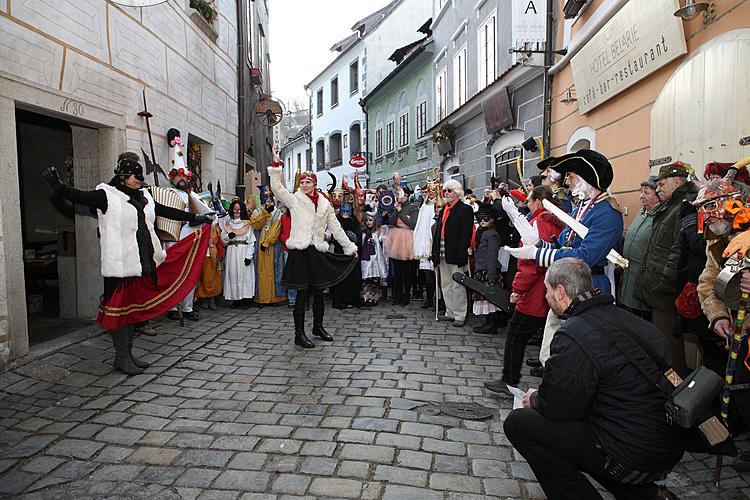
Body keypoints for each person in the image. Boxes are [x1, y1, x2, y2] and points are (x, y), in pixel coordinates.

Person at [504, 258, 684, 500]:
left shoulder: (574, 334)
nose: (545, 297)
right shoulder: (632, 321)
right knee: (586, 434)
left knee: (520, 424)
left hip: (631, 454)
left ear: (560, 292)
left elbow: (558, 408)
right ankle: (645, 496)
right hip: (665, 444)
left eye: (547, 290)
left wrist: (534, 399)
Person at [41, 153, 213, 375]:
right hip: (119, 266)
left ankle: (128, 354)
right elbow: (79, 197)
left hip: (143, 263)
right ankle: (121, 357)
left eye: (140, 178)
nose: (139, 181)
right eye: (135, 177)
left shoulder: (144, 196)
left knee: (132, 311)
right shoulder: (107, 196)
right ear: (122, 177)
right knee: (121, 312)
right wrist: (58, 185)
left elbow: (164, 211)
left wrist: (195, 218)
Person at [506, 149, 624, 365]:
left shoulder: (608, 212)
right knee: (551, 352)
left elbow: (585, 256)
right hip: (565, 286)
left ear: (587, 179)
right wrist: (538, 243)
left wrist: (538, 254)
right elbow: (563, 243)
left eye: (570, 176)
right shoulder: (582, 208)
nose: (567, 182)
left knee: (575, 356)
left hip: (587, 288)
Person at [267, 148, 358, 348]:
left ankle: (318, 327)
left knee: (318, 292)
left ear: (315, 184)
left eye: (308, 182)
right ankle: (299, 334)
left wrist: (350, 247)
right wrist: (276, 167)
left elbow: (336, 228)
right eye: (302, 182)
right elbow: (277, 189)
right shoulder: (295, 200)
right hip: (300, 251)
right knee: (302, 293)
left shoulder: (325, 204)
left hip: (317, 251)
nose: (305, 185)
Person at [485, 186, 564, 390]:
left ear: (537, 201)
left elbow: (531, 261)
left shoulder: (539, 222)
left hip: (535, 291)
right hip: (547, 287)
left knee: (515, 335)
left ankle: (509, 380)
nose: (527, 205)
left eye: (529, 201)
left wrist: (517, 289)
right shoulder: (552, 220)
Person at [637, 162, 698, 375]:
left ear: (678, 182)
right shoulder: (671, 205)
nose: (658, 188)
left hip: (666, 290)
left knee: (669, 348)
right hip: (658, 287)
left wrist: (664, 283)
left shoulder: (682, 206)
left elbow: (677, 251)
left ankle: (675, 393)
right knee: (662, 343)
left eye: (662, 184)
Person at [432, 179, 474, 327]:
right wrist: (435, 253)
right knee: (446, 284)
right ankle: (450, 311)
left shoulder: (465, 210)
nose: (446, 193)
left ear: (457, 192)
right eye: (445, 191)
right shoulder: (444, 209)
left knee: (457, 285)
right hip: (443, 251)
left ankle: (459, 314)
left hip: (456, 253)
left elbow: (466, 234)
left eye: (449, 190)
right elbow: (438, 233)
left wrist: (463, 254)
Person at [620, 176, 660, 320]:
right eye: (641, 191)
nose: (641, 196)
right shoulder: (641, 213)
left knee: (642, 317)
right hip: (629, 273)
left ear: (657, 196)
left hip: (643, 276)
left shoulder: (659, 217)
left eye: (647, 193)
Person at [250, 186, 287, 305]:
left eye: (269, 197)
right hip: (259, 243)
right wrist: (265, 212)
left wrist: (268, 241)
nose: (268, 200)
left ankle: (276, 297)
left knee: (275, 269)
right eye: (265, 197)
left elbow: (277, 227)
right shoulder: (257, 212)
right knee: (260, 269)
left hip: (273, 245)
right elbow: (256, 225)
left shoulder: (277, 212)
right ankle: (262, 297)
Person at [471, 203, 503, 333]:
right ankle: (488, 322)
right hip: (481, 269)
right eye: (480, 219)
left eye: (486, 218)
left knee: (490, 299)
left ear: (492, 219)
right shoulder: (482, 232)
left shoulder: (492, 235)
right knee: (485, 298)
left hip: (488, 270)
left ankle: (492, 324)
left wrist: (491, 276)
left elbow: (492, 256)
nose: (482, 221)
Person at [386, 186, 419, 306]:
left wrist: (401, 212)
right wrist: (395, 211)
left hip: (407, 238)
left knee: (407, 271)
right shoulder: (396, 206)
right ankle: (397, 295)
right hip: (396, 238)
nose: (399, 197)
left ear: (407, 195)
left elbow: (412, 224)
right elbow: (392, 222)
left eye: (402, 194)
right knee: (397, 270)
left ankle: (407, 296)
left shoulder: (413, 207)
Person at [222, 200, 256, 307]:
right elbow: (223, 240)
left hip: (243, 250)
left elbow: (251, 241)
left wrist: (248, 256)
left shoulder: (247, 224)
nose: (236, 212)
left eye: (239, 209)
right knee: (233, 274)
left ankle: (246, 299)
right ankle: (235, 298)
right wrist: (228, 237)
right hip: (232, 251)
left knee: (244, 275)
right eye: (234, 209)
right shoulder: (228, 224)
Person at [331, 196, 362, 309]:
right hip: (340, 254)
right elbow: (334, 236)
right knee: (341, 277)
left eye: (347, 211)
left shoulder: (354, 222)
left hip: (352, 255)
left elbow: (358, 238)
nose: (345, 214)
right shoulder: (337, 222)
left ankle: (352, 299)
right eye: (343, 211)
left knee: (353, 277)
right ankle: (340, 300)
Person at [360, 214, 388, 306]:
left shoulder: (377, 233)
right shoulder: (363, 233)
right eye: (367, 220)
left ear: (374, 221)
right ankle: (366, 297)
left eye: (371, 220)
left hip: (375, 258)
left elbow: (382, 241)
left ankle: (374, 298)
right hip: (365, 258)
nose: (369, 222)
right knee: (366, 279)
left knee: (374, 279)